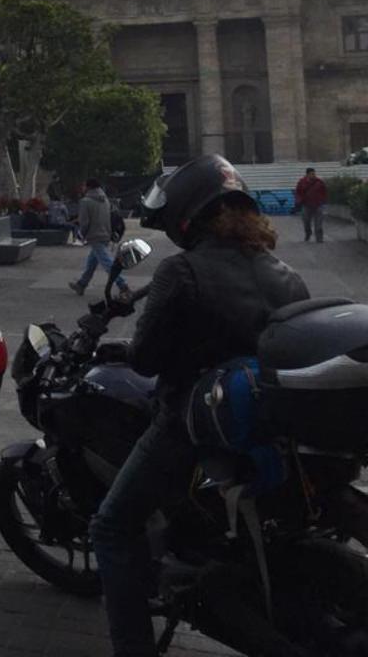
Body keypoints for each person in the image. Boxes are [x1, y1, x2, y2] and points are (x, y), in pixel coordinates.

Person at [91, 156, 309, 657]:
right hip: (270, 418)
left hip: (197, 422)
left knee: (110, 526)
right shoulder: (285, 272)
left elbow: (145, 362)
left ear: (189, 215)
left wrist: (125, 348)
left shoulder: (181, 270)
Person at [70, 179, 125, 296]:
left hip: (94, 235)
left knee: (107, 263)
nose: (83, 188)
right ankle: (81, 284)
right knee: (92, 262)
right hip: (106, 233)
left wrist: (80, 236)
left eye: (84, 185)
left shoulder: (85, 201)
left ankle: (123, 285)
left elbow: (84, 222)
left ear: (88, 187)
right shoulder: (105, 200)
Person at [294, 166, 328, 242]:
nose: (313, 175)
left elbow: (324, 191)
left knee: (318, 223)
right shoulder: (302, 182)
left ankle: (319, 238)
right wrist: (299, 201)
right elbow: (298, 192)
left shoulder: (319, 182)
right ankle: (308, 233)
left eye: (314, 173)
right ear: (307, 174)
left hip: (318, 205)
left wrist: (323, 201)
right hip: (306, 205)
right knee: (306, 222)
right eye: (311, 174)